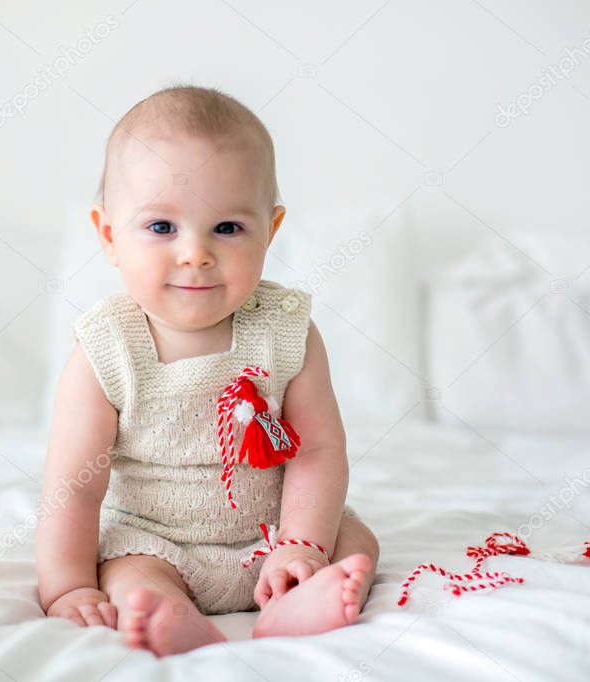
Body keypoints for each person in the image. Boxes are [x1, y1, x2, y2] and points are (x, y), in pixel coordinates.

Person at [36, 84, 380, 657]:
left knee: (355, 537)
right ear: (109, 236)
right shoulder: (107, 348)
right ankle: (168, 612)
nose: (195, 253)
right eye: (162, 227)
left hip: (274, 538)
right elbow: (73, 488)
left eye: (226, 228)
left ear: (269, 231)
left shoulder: (287, 332)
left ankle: (298, 598)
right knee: (126, 572)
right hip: (158, 540)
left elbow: (319, 450)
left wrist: (302, 545)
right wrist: (68, 587)